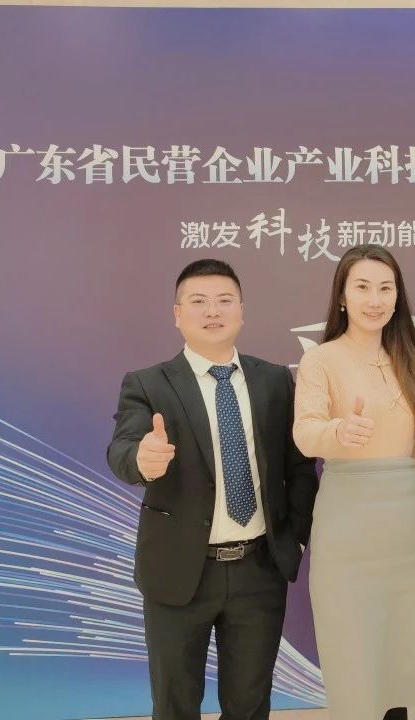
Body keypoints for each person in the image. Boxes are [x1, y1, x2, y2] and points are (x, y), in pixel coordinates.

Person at [107, 258, 318, 720]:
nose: (212, 311)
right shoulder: (148, 383)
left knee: (250, 705)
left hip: (258, 570)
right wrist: (143, 459)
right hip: (178, 569)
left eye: (225, 300)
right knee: (175, 705)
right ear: (177, 314)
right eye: (198, 301)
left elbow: (301, 467)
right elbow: (122, 448)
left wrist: (295, 538)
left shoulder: (275, 380)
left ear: (241, 311)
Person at [292, 245, 415, 720]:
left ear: (397, 297)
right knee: (352, 656)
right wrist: (339, 432)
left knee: (401, 661)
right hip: (347, 523)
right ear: (342, 297)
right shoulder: (321, 360)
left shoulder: (412, 360)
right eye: (363, 287)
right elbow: (305, 432)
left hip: (406, 529)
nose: (375, 300)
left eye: (385, 288)